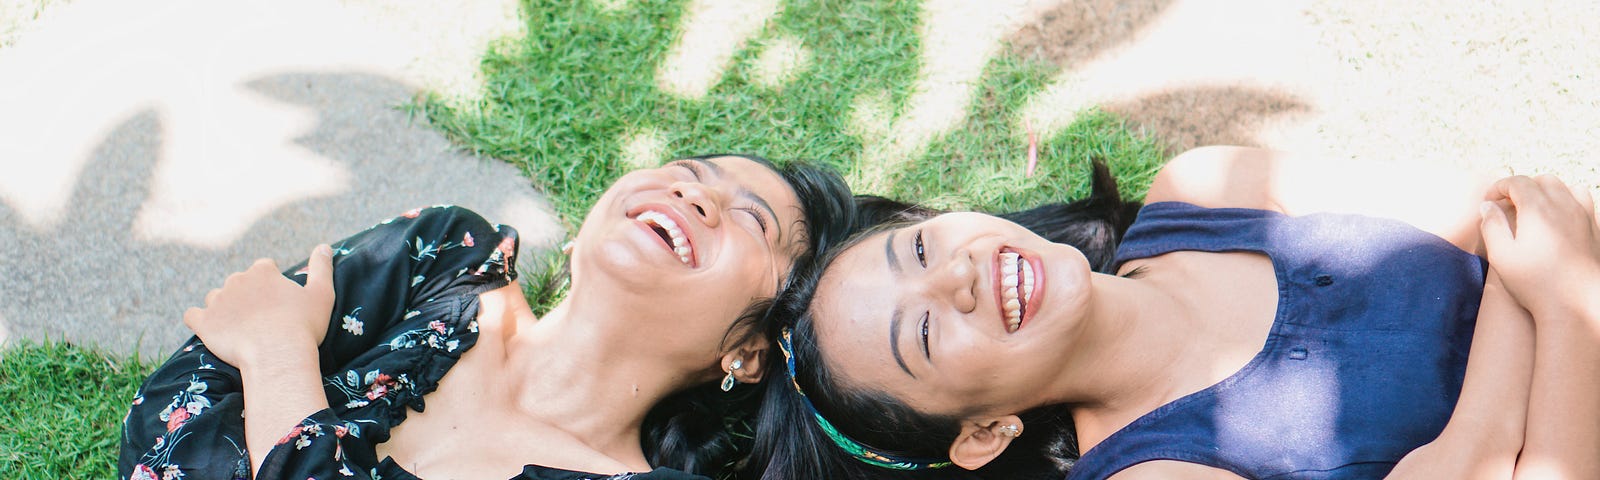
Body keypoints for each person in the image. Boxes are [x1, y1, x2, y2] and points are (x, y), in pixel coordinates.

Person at [747, 145, 1600, 479]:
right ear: (981, 435)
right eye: (925, 333)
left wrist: (1482, 445)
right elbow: (1536, 253)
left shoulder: (1207, 186)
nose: (957, 278)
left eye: (921, 248)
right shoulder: (1153, 475)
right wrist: (1562, 302)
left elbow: (1528, 212)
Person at [119, 154, 857, 480]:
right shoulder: (445, 254)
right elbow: (163, 424)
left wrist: (279, 353)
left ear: (752, 353)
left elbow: (243, 352)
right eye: (691, 172)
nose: (695, 196)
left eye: (751, 221)